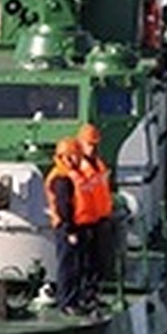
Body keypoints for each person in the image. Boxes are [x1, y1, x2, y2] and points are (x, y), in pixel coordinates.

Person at [74, 122, 114, 311]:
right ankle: (84, 295)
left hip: (100, 219)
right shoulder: (77, 168)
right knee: (85, 262)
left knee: (99, 261)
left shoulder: (98, 164)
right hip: (85, 221)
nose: (92, 147)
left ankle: (94, 293)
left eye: (94, 144)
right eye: (89, 144)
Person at [44, 136, 85, 313]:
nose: (79, 159)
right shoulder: (61, 179)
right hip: (66, 228)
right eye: (75, 155)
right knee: (68, 266)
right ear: (66, 157)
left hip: (69, 226)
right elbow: (63, 207)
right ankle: (67, 302)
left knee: (73, 264)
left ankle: (73, 299)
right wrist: (70, 230)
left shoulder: (65, 174)